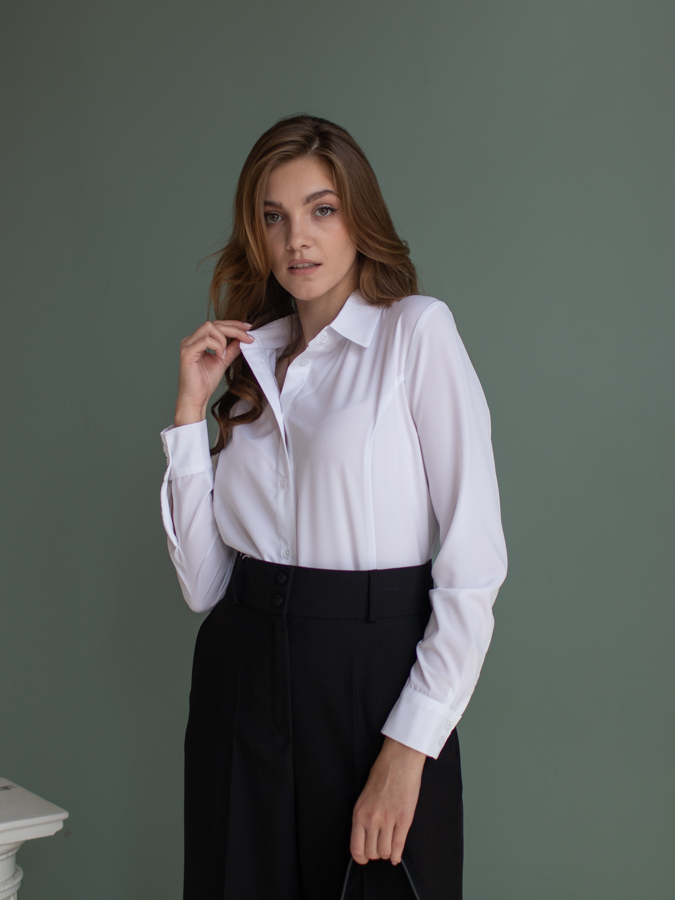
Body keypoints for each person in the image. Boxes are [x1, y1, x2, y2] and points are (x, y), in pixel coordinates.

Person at [159, 114, 508, 900]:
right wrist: (187, 417)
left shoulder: (415, 334)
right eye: (273, 217)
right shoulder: (248, 364)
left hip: (371, 680)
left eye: (321, 210)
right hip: (239, 678)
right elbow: (204, 588)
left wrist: (408, 748)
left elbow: (473, 566)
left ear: (359, 216)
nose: (297, 240)